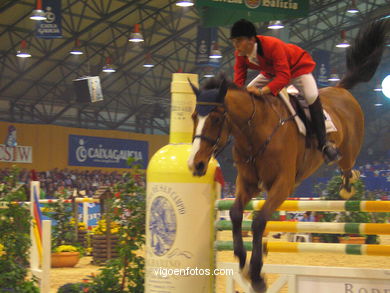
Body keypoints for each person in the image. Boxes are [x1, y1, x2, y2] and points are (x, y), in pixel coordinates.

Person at [230, 19, 340, 164]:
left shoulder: (272, 45)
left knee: (311, 95)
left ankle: (324, 144)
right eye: (234, 41)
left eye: (239, 41)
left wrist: (262, 91)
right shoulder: (240, 54)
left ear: (251, 40)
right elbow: (239, 79)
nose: (236, 45)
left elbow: (284, 77)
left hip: (297, 70)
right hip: (271, 72)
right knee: (247, 95)